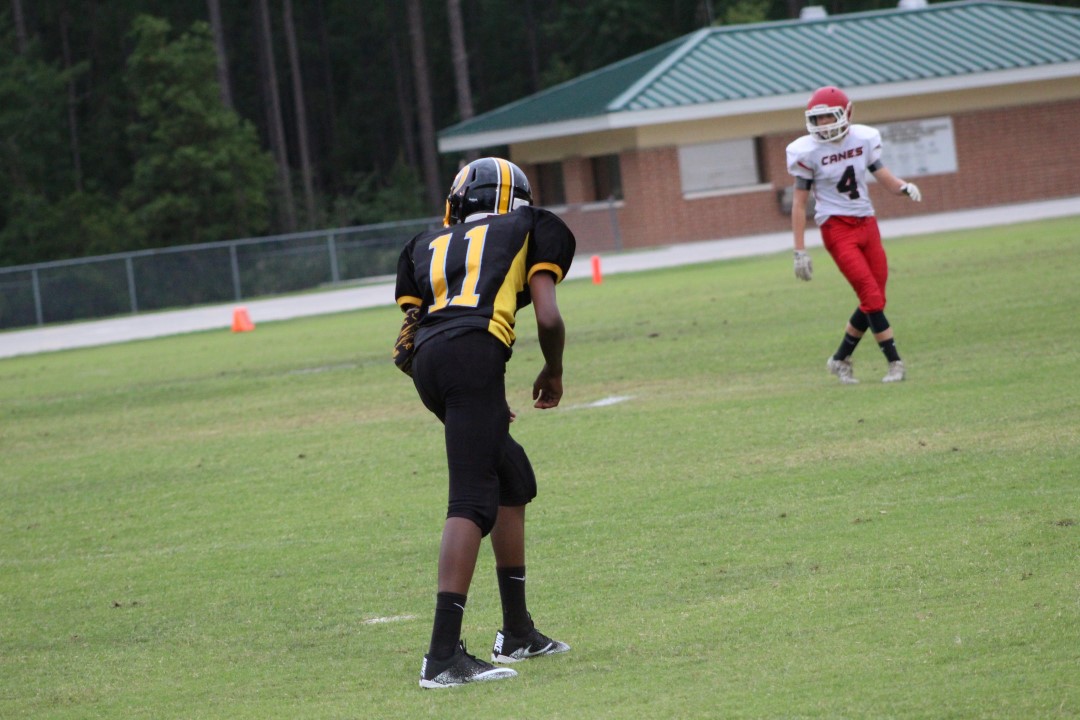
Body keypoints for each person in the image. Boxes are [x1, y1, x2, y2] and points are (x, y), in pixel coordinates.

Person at [393, 157, 576, 689]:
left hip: (429, 364)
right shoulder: (532, 226)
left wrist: (476, 399)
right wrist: (553, 371)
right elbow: (547, 316)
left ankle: (517, 632)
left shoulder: (424, 243)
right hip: (472, 354)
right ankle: (441, 657)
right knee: (472, 499)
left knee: (512, 477)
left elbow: (411, 332)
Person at [785, 85, 923, 384]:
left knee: (876, 297)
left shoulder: (863, 138)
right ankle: (895, 363)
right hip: (836, 227)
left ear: (847, 113)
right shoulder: (807, 151)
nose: (823, 124)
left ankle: (839, 359)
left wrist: (903, 187)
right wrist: (799, 250)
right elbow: (799, 204)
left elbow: (882, 175)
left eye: (829, 116)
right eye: (818, 118)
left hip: (867, 222)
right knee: (871, 296)